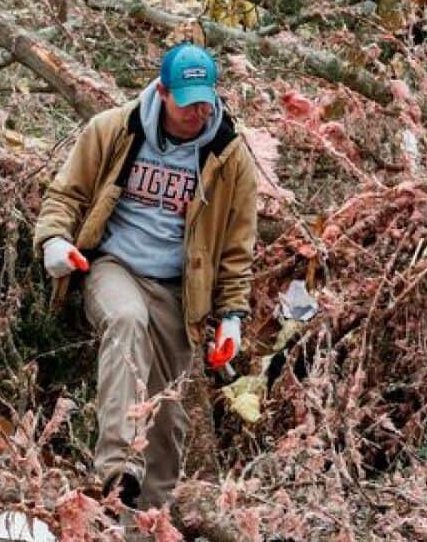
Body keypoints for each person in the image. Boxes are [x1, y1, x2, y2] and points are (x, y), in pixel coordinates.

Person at [33, 43, 258, 510]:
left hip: (180, 291)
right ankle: (117, 467)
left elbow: (237, 248)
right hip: (114, 266)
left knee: (169, 414)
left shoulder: (228, 156)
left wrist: (231, 316)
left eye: (205, 99)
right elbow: (65, 196)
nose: (198, 111)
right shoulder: (114, 130)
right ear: (162, 91)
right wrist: (54, 241)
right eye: (187, 99)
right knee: (126, 320)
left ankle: (148, 530)